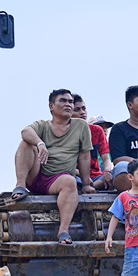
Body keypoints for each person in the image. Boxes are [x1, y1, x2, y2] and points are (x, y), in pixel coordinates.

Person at [12, 89, 95, 245]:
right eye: (63, 101)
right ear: (51, 106)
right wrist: (40, 143)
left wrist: (85, 185)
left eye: (70, 102)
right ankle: (20, 186)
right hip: (36, 175)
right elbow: (25, 131)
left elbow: (84, 156)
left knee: (70, 182)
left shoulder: (81, 126)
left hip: (58, 180)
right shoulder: (43, 125)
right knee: (25, 143)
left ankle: (63, 231)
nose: (68, 104)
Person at [108, 85, 138, 191]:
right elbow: (118, 159)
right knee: (122, 167)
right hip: (132, 172)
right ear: (130, 104)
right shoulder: (119, 128)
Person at [72, 94, 113, 190]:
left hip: (96, 177)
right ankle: (88, 186)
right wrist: (84, 178)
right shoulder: (64, 132)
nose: (82, 112)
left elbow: (106, 158)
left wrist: (107, 171)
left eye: (83, 108)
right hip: (76, 175)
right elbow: (63, 165)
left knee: (117, 174)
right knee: (68, 180)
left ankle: (91, 187)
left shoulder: (96, 130)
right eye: (77, 110)